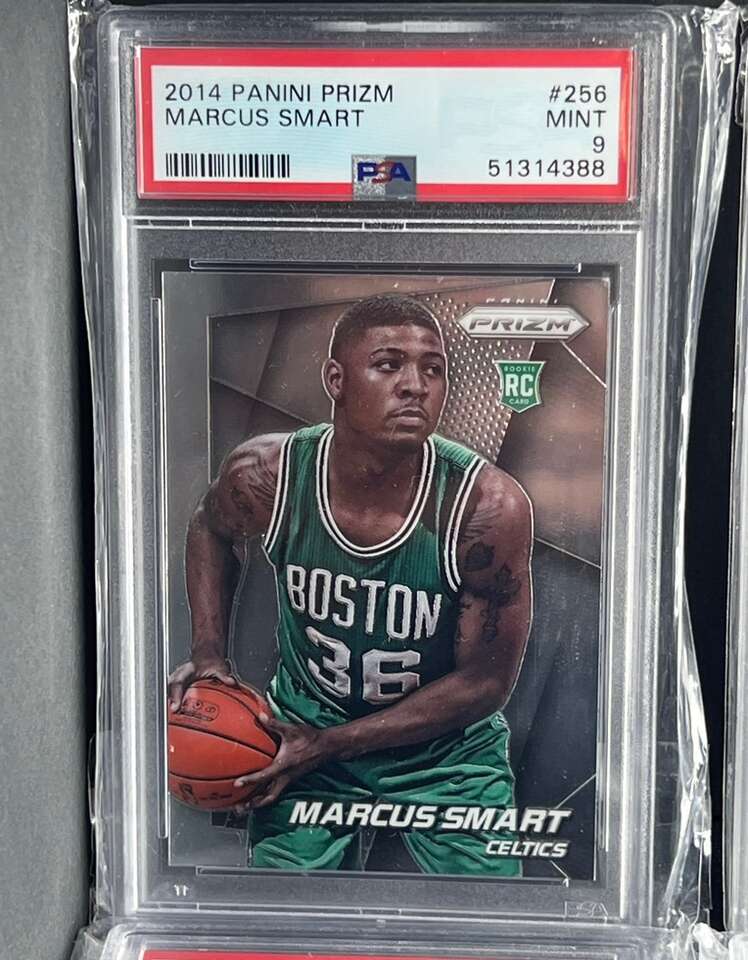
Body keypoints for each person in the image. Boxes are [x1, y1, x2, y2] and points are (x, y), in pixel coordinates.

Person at [168, 293, 533, 874]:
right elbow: (210, 527)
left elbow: (485, 682)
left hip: (443, 752)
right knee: (281, 908)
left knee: (491, 911)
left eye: (433, 369)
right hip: (305, 726)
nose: (415, 385)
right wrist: (209, 653)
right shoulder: (268, 475)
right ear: (335, 379)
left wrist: (332, 745)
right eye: (389, 364)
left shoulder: (484, 507)